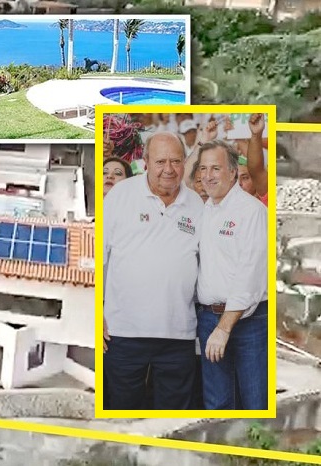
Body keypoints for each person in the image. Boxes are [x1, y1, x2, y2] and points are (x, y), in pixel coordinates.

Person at [103, 131, 204, 410]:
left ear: (185, 162)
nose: (168, 169)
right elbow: (98, 255)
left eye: (176, 161)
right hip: (123, 331)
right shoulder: (120, 195)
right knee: (123, 413)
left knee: (173, 419)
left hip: (178, 333)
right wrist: (94, 311)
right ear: (145, 161)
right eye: (160, 162)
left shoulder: (196, 204)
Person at [195, 139, 269, 410]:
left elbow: (250, 273)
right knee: (217, 405)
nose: (208, 176)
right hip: (208, 318)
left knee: (255, 403)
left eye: (215, 168)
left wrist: (224, 328)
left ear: (233, 172)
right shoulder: (204, 210)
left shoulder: (252, 211)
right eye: (203, 169)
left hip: (249, 322)